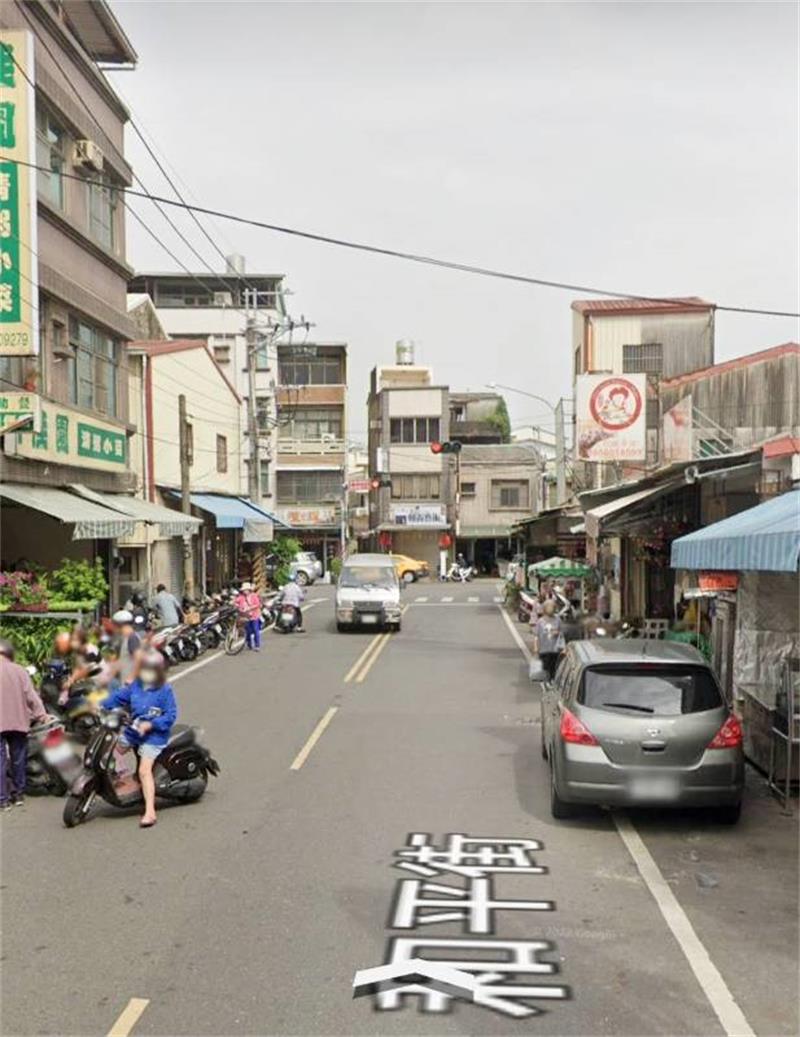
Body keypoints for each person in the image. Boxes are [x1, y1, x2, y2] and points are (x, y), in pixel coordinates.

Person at [100, 648, 177, 828]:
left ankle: (150, 811)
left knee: (144, 771)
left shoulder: (165, 690)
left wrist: (151, 724)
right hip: (134, 731)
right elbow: (117, 698)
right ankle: (119, 779)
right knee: (108, 752)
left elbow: (170, 716)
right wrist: (98, 704)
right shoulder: (136, 685)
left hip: (154, 736)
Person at [0, 638, 48, 809]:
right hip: (19, 722)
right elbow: (31, 696)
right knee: (18, 759)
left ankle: (3, 799)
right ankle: (19, 794)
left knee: (1, 762)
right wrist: (42, 715)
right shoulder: (20, 671)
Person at [109, 610, 142, 690]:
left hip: (132, 686)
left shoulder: (132, 638)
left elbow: (139, 659)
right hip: (127, 686)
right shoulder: (126, 639)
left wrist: (131, 678)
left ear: (119, 625)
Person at [532, 600, 564, 682]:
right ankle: (546, 683)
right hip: (543, 650)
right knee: (545, 669)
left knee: (554, 669)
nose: (551, 609)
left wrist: (557, 632)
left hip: (555, 649)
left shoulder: (558, 619)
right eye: (549, 607)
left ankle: (552, 682)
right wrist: (536, 648)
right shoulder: (540, 621)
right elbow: (536, 636)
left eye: (552, 607)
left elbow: (561, 632)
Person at [234, 581, 262, 651]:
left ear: (249, 590)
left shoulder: (254, 596)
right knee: (248, 631)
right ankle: (249, 644)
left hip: (254, 616)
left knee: (255, 630)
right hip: (245, 617)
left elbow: (257, 604)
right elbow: (236, 602)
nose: (245, 591)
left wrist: (250, 608)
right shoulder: (241, 597)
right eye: (244, 590)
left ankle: (257, 645)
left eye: (246, 590)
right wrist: (237, 606)